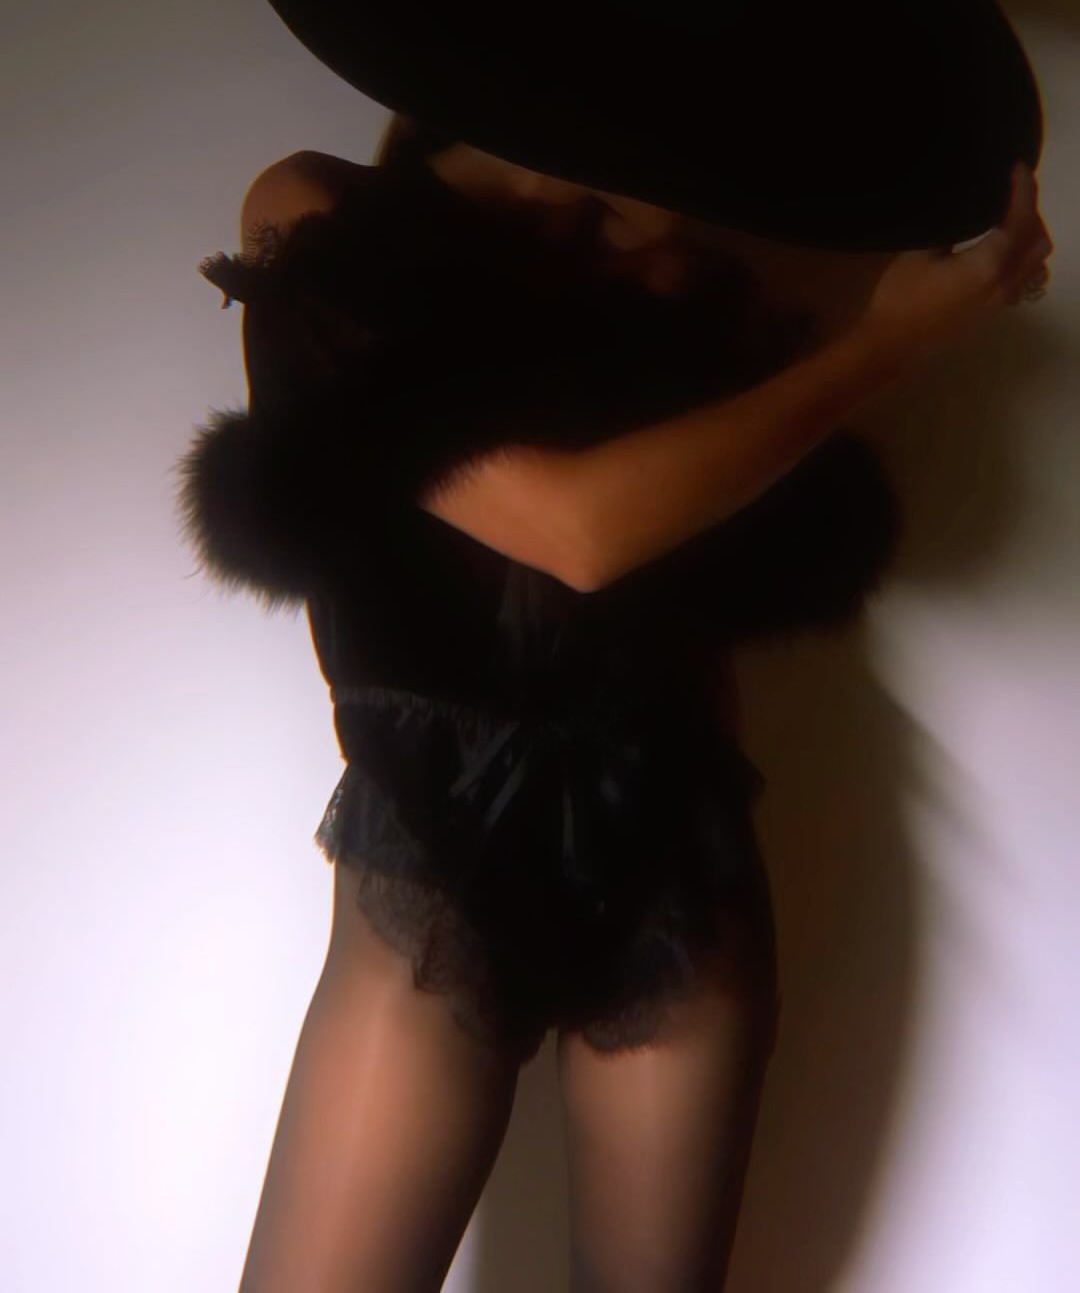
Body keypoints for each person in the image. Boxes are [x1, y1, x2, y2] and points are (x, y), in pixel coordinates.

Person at [176, 109, 1051, 1293]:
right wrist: (889, 341)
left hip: (679, 853)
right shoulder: (320, 212)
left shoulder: (689, 278)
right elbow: (574, 533)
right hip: (433, 844)